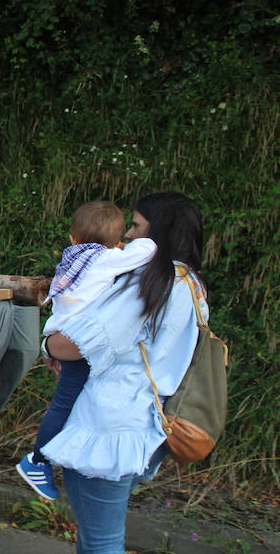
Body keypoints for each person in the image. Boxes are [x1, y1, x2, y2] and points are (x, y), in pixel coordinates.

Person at [41, 192, 207, 553]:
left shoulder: (152, 283)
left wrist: (48, 346)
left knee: (100, 541)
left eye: (135, 225)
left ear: (158, 230)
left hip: (109, 427)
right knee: (98, 536)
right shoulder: (192, 283)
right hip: (149, 425)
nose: (128, 236)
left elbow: (77, 344)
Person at [16, 201, 156, 500]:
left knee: (68, 402)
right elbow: (146, 251)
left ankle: (46, 458)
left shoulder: (73, 258)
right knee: (66, 404)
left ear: (72, 238)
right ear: (116, 242)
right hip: (79, 340)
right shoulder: (105, 259)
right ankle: (37, 460)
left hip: (61, 330)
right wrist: (143, 242)